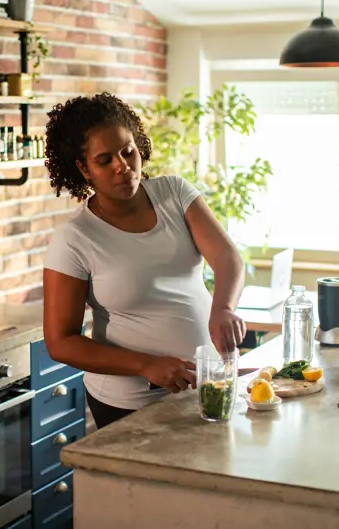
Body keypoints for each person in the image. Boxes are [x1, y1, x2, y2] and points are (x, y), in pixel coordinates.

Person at [42, 92, 246, 430]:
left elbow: (227, 258)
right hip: (131, 404)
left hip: (205, 384)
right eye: (105, 160)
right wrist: (145, 364)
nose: (122, 166)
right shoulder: (75, 238)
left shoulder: (175, 194)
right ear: (84, 169)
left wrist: (223, 307)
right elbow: (60, 342)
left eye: (127, 152)